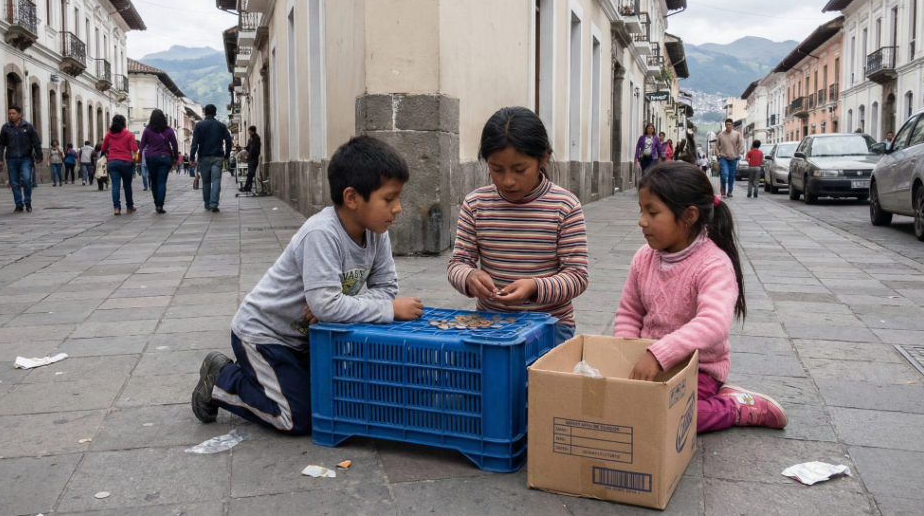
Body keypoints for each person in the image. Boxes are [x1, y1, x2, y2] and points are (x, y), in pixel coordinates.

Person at [191, 134, 424, 430]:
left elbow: (385, 290)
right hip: (264, 335)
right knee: (296, 417)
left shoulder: (378, 231)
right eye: (389, 199)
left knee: (335, 399)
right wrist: (388, 309)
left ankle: (275, 380)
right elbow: (338, 305)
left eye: (398, 197)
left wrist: (338, 306)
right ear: (352, 198)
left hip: (307, 340)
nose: (398, 208)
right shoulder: (322, 234)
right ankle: (221, 379)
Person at [614, 161, 787, 432]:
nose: (642, 221)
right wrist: (624, 355)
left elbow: (714, 323)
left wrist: (661, 354)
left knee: (665, 418)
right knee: (618, 408)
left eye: (652, 212)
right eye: (641, 210)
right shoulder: (643, 259)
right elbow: (628, 313)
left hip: (699, 370)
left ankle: (736, 407)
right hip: (651, 360)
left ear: (689, 216)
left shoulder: (713, 265)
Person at [447, 106, 589, 346]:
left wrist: (535, 287)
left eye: (519, 169)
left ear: (543, 158)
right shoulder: (475, 204)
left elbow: (577, 276)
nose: (508, 180)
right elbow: (458, 263)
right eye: (496, 169)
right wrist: (470, 276)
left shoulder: (564, 206)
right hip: (491, 323)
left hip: (550, 325)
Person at [0, 105, 43, 213]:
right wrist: (0, 157)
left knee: (27, 179)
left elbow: (36, 142)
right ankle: (18, 204)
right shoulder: (6, 127)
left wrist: (39, 155)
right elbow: (1, 144)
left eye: (13, 113)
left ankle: (27, 201)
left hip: (26, 157)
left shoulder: (28, 126)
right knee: (14, 182)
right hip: (11, 158)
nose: (11, 115)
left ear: (20, 114)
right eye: (10, 113)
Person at [189, 104, 233, 212]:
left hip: (203, 157)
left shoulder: (199, 126)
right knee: (216, 180)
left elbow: (194, 143)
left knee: (206, 182)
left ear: (204, 113)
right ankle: (214, 204)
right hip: (217, 156)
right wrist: (226, 155)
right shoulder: (221, 126)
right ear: (215, 113)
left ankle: (207, 204)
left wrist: (191, 157)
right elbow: (228, 141)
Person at [140, 109, 179, 214]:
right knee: (162, 181)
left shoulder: (147, 130)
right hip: (165, 158)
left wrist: (139, 159)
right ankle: (160, 205)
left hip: (151, 158)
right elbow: (175, 145)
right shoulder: (169, 130)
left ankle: (156, 203)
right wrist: (175, 157)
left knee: (154, 181)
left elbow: (142, 146)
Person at [102, 115, 138, 215]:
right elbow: (135, 149)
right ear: (124, 123)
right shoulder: (128, 134)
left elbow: (103, 149)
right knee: (127, 185)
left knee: (115, 185)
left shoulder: (109, 134)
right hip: (126, 162)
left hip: (113, 162)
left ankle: (117, 208)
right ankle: (129, 206)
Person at [716, 119, 743, 199]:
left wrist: (739, 153)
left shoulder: (737, 134)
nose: (728, 126)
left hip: (733, 158)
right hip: (723, 158)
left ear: (732, 125)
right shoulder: (720, 135)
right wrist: (718, 155)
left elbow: (741, 144)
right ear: (725, 125)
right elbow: (717, 146)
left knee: (731, 176)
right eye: (726, 124)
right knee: (724, 175)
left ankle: (730, 191)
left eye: (729, 124)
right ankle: (723, 188)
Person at [242, 126, 262, 193]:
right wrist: (242, 149)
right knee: (250, 174)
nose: (249, 132)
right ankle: (247, 187)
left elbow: (254, 148)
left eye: (249, 131)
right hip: (251, 159)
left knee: (251, 173)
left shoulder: (256, 138)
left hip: (253, 158)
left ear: (252, 131)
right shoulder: (251, 138)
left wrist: (250, 151)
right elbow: (248, 147)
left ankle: (246, 187)